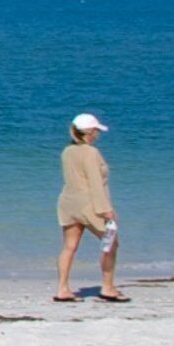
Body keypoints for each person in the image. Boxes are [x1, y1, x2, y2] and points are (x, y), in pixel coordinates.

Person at [55, 112, 124, 303]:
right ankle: (108, 287)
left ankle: (62, 288)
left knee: (69, 246)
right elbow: (94, 183)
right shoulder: (91, 153)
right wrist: (105, 210)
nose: (98, 134)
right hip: (89, 204)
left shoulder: (67, 151)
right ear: (90, 132)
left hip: (68, 202)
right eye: (96, 131)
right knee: (111, 243)